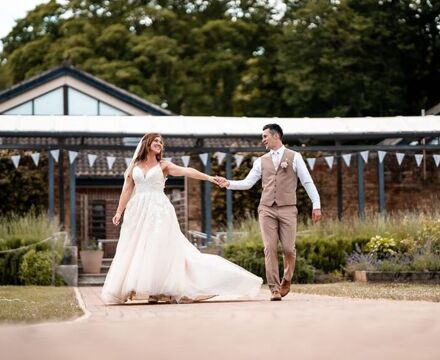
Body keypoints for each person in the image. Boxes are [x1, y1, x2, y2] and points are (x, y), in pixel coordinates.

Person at [101, 133, 262, 305]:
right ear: (146, 143)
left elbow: (188, 171)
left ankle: (158, 291)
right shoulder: (134, 166)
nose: (159, 144)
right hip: (137, 211)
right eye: (155, 141)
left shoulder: (163, 165)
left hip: (159, 210)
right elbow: (126, 190)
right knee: (136, 247)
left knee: (158, 247)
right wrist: (119, 212)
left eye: (160, 142)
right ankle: (138, 287)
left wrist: (209, 177)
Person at [216, 124, 321, 301]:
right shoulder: (260, 161)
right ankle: (274, 288)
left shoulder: (295, 157)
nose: (262, 139)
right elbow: (248, 183)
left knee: (289, 249)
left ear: (276, 136)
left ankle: (286, 279)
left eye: (265, 136)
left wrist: (316, 205)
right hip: (266, 209)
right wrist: (229, 183)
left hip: (288, 208)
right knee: (269, 248)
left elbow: (307, 182)